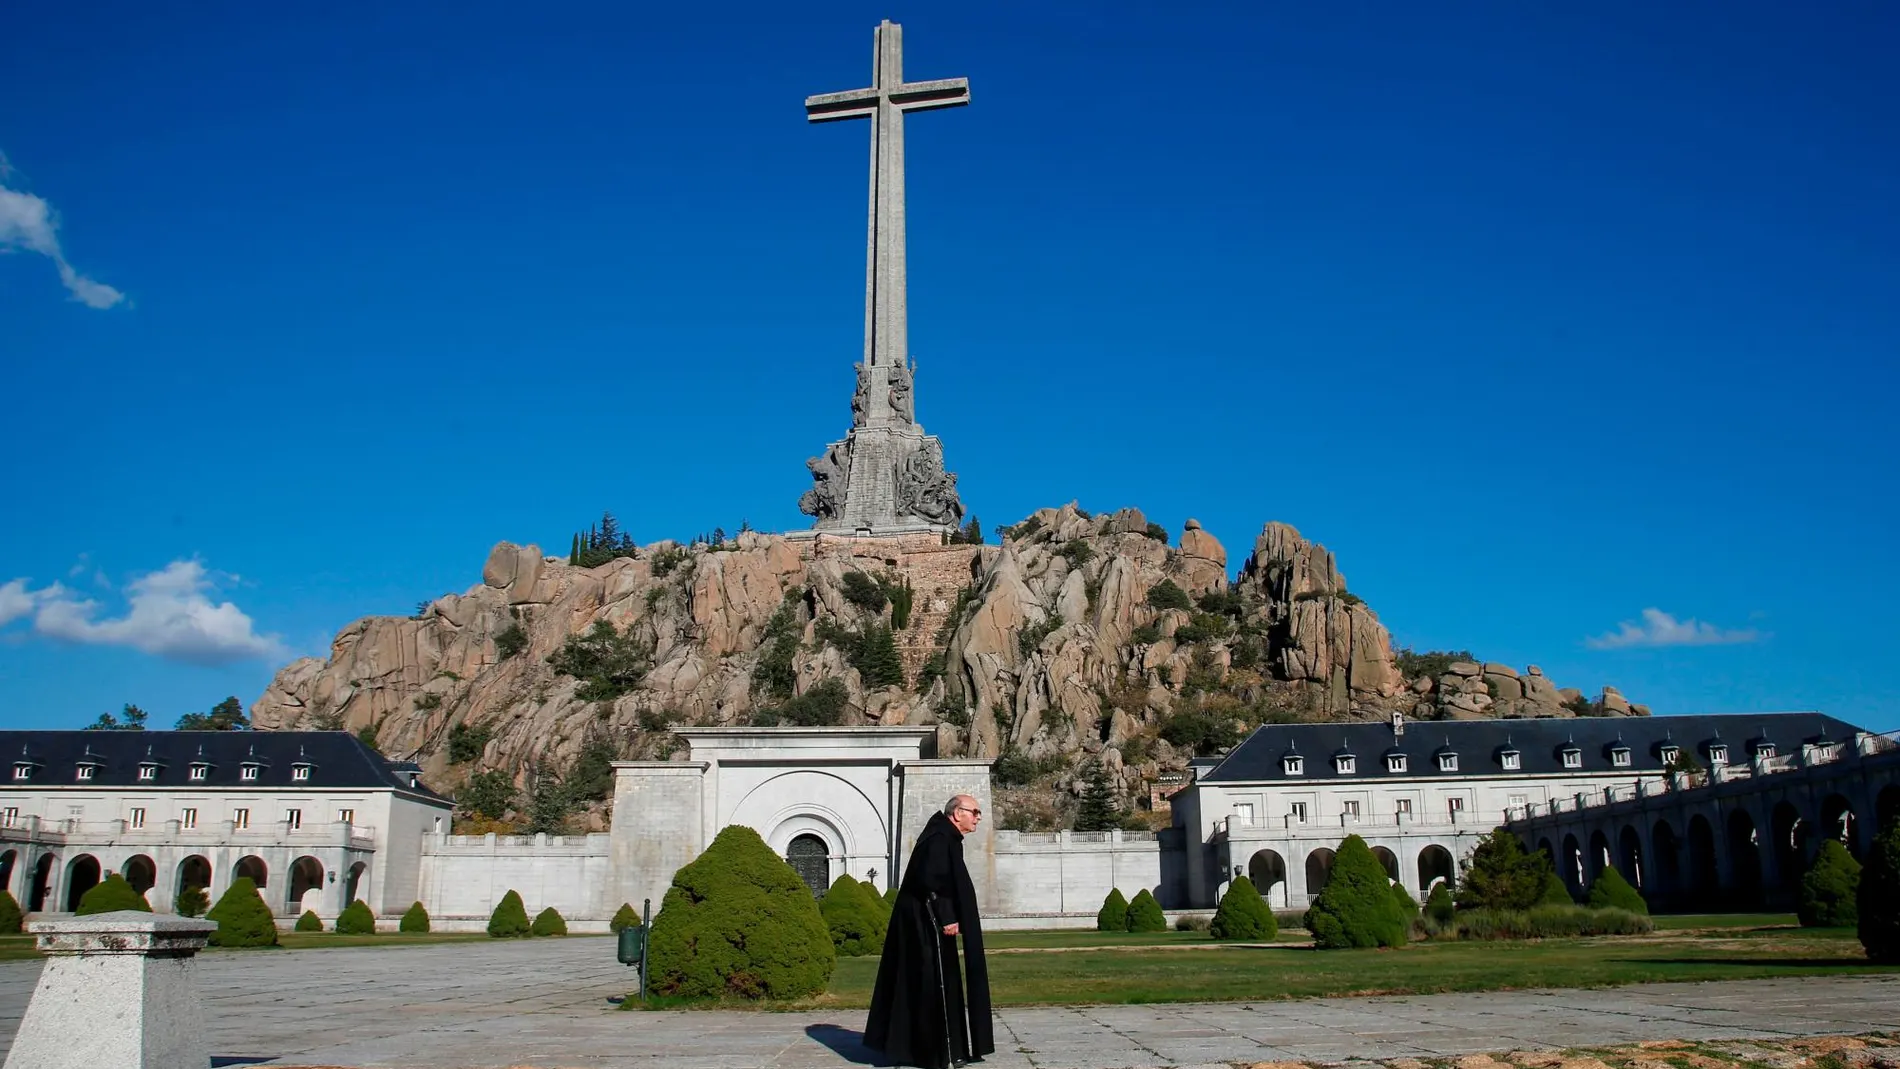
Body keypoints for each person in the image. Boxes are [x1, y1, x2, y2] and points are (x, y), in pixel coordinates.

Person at [864, 794, 993, 1068]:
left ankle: (945, 1048)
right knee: (936, 982)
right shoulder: (939, 839)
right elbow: (930, 881)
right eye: (975, 812)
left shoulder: (945, 837)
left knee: (935, 981)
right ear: (957, 813)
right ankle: (941, 1051)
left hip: (926, 922)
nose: (978, 817)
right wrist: (947, 917)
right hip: (927, 924)